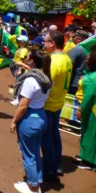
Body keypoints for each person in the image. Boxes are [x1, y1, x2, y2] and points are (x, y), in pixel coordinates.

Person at [11, 50, 52, 193]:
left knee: (27, 154)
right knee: (34, 152)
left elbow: (23, 105)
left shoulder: (30, 80)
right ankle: (37, 181)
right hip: (41, 116)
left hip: (29, 119)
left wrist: (14, 121)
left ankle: (33, 187)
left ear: (32, 61)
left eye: (28, 57)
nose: (26, 59)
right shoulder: (45, 78)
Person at [41, 30, 72, 180]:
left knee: (46, 137)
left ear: (52, 43)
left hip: (48, 104)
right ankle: (56, 164)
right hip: (58, 102)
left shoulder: (53, 61)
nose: (43, 43)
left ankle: (49, 169)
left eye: (45, 41)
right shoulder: (66, 58)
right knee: (54, 135)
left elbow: (44, 84)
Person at [74, 44, 96, 170]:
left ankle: (89, 160)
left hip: (92, 111)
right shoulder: (92, 74)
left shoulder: (93, 78)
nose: (86, 59)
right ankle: (85, 155)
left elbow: (89, 96)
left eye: (88, 58)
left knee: (89, 134)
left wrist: (81, 109)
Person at [68, 30, 89, 95]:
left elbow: (69, 66)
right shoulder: (89, 50)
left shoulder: (76, 49)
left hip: (73, 83)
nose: (72, 39)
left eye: (73, 37)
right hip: (85, 82)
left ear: (79, 39)